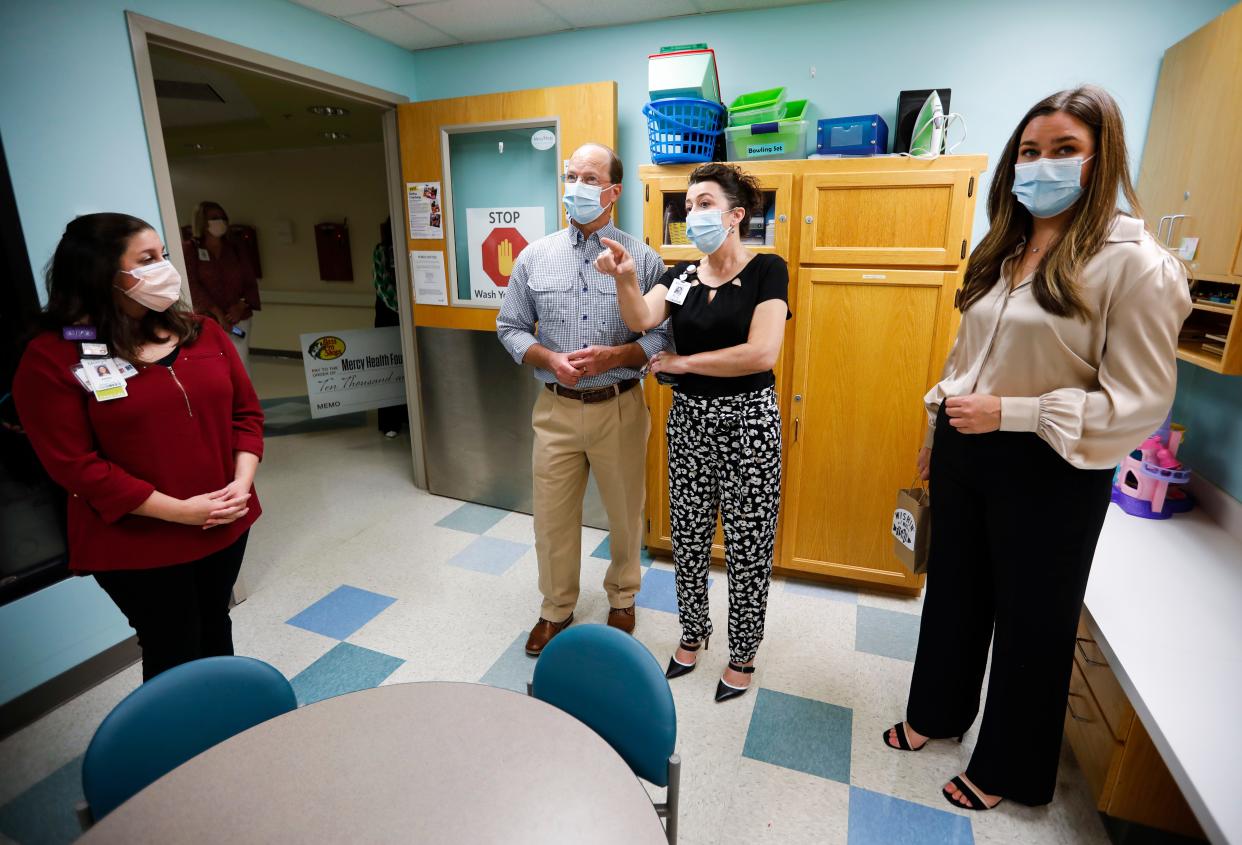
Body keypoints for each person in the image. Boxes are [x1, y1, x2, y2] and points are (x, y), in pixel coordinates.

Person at [883, 86, 1191, 811]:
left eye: (1063, 151)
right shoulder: (1005, 246)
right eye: (1029, 151)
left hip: (1052, 463)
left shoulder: (1135, 263)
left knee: (1034, 621)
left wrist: (1011, 413)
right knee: (954, 593)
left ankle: (1009, 771)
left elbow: (1140, 401)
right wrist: (942, 425)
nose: (1040, 165)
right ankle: (937, 712)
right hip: (967, 444)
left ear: (1099, 161)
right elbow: (969, 352)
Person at [14, 213, 264, 682]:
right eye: (147, 259)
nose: (164, 268)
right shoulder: (54, 357)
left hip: (223, 520)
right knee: (173, 642)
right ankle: (178, 752)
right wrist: (178, 511)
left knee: (215, 624)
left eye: (164, 256)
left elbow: (246, 416)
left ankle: (229, 736)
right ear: (101, 272)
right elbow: (75, 465)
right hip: (137, 539)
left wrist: (241, 483)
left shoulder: (201, 332)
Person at [598, 162, 789, 703]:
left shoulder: (766, 271)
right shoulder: (678, 276)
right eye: (688, 206)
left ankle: (744, 652)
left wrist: (680, 365)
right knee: (688, 536)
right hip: (689, 423)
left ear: (735, 215)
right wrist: (627, 278)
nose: (693, 214)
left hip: (749, 421)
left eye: (704, 203)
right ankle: (692, 633)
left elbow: (761, 352)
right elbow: (640, 320)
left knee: (749, 544)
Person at [497, 143, 670, 656]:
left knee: (624, 510)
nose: (576, 186)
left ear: (613, 191)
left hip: (619, 404)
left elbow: (663, 337)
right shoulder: (534, 256)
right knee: (551, 517)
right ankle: (556, 607)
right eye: (570, 175)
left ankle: (622, 596)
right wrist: (548, 359)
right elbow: (508, 327)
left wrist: (620, 354)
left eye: (589, 177)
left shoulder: (643, 258)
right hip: (555, 409)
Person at [184, 201, 261, 370]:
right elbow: (192, 284)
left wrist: (240, 306)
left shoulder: (235, 248)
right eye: (214, 218)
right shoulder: (191, 250)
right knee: (214, 365)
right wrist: (218, 314)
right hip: (207, 320)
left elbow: (249, 281)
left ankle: (244, 397)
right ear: (202, 222)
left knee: (240, 362)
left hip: (238, 318)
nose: (221, 221)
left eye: (223, 218)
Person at [373, 217, 407, 438]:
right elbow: (382, 285)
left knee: (409, 369)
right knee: (389, 368)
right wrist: (402, 308)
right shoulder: (381, 251)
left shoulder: (410, 247)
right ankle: (390, 423)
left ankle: (408, 417)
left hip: (407, 315)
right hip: (388, 314)